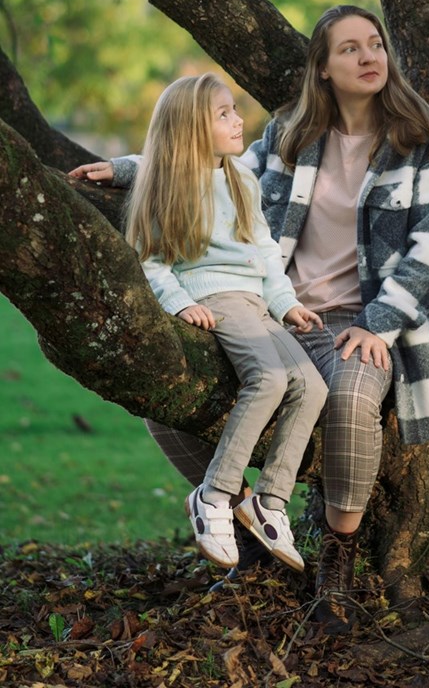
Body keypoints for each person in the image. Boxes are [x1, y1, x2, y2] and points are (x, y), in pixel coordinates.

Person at [71, 5, 429, 629]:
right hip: (278, 307)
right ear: (324, 69)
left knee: (351, 399)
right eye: (350, 49)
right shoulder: (289, 137)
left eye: (376, 45)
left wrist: (380, 320)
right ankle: (246, 528)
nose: (369, 58)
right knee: (165, 403)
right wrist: (122, 170)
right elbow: (203, 169)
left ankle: (337, 559)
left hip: (360, 321)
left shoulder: (420, 148)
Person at [72, 73, 328, 573]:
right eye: (225, 114)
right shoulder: (167, 184)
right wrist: (178, 303)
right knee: (270, 378)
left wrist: (285, 304)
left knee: (312, 386)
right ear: (192, 127)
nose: (239, 121)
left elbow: (265, 254)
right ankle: (214, 495)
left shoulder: (240, 178)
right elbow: (150, 261)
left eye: (236, 110)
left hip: (256, 301)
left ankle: (270, 503)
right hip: (216, 296)